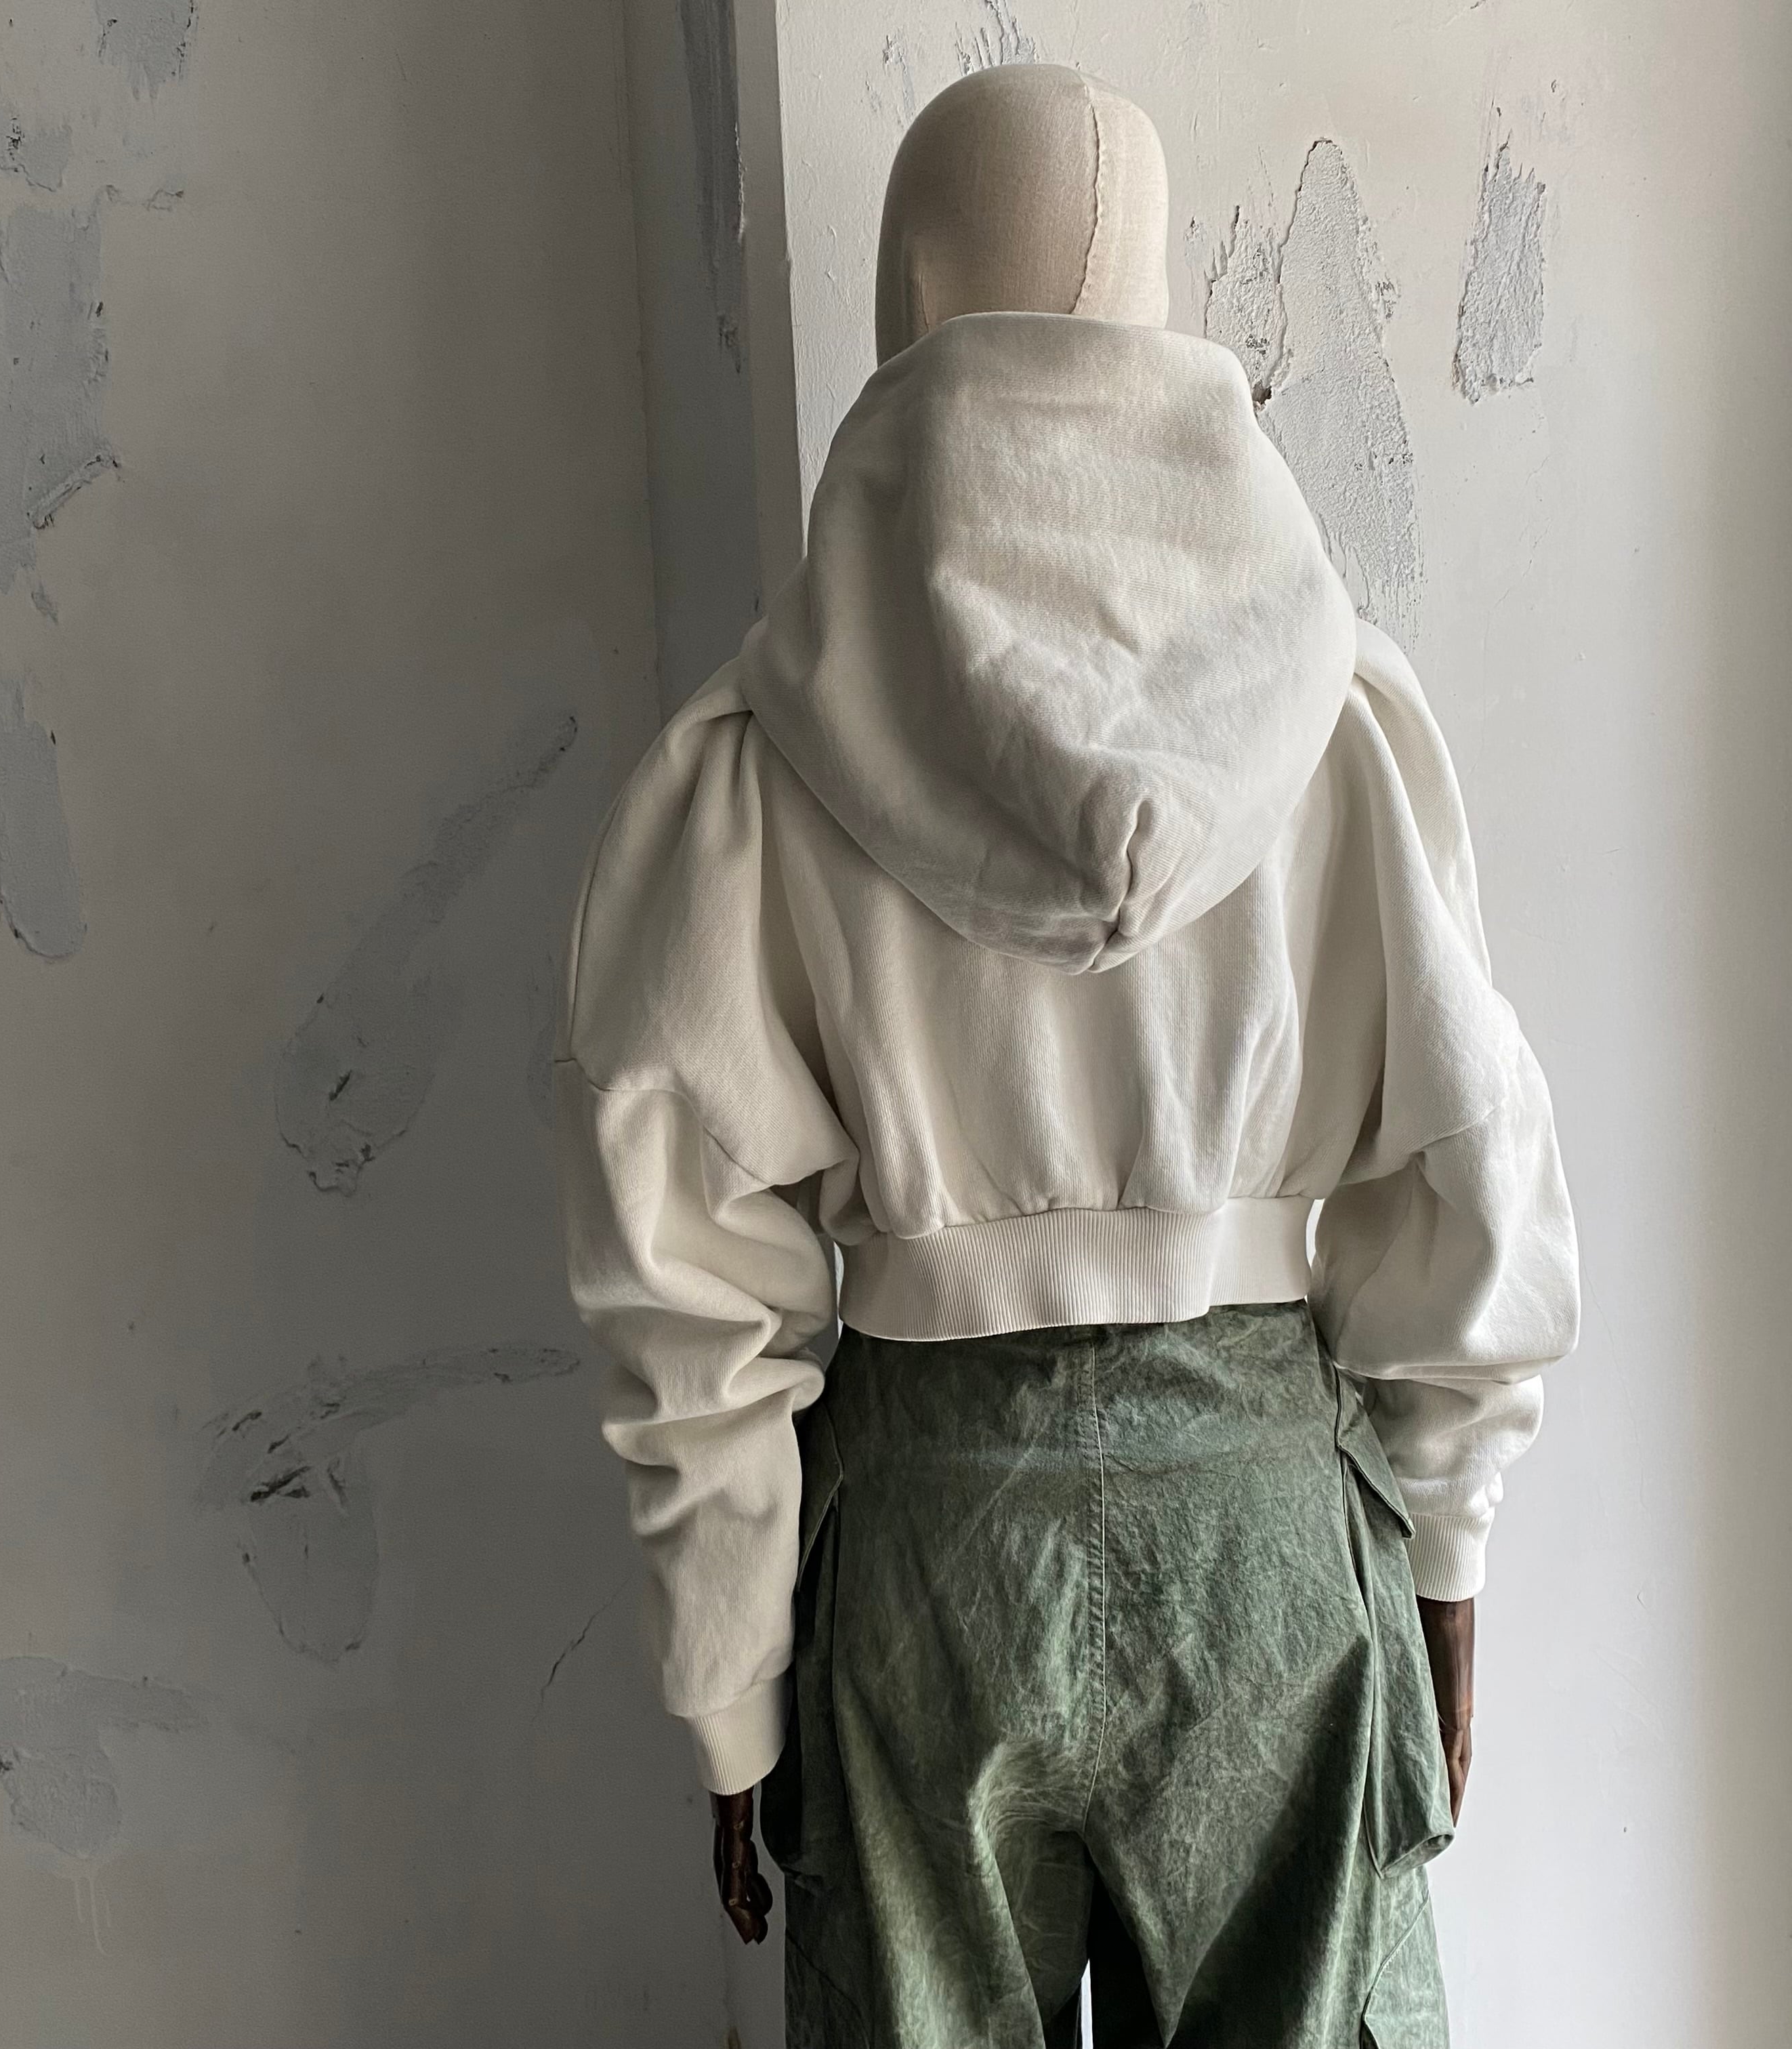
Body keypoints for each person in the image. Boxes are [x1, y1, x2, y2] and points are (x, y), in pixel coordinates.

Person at [551, 62, 1579, 2048]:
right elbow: (1473, 1159)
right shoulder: (1340, 718)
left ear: (910, 290)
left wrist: (730, 1680)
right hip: (1267, 1543)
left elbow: (682, 1266)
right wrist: (1447, 1540)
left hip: (925, 1557)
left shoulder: (765, 753)